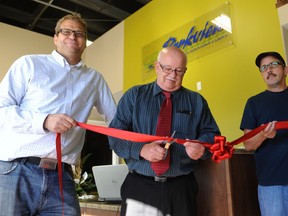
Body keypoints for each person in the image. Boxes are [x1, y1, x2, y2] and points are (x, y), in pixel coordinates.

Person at [0, 13, 116, 215]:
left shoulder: (95, 79)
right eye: (66, 31)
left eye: (79, 33)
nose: (73, 36)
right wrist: (43, 121)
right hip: (16, 172)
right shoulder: (28, 64)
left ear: (85, 42)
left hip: (62, 178)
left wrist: (146, 142)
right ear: (55, 38)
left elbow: (116, 120)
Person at [108, 46, 220, 216]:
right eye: (168, 68)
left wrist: (202, 148)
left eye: (179, 71)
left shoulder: (197, 101)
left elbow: (212, 136)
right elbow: (115, 136)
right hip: (140, 187)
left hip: (182, 189)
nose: (173, 75)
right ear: (157, 67)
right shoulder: (135, 96)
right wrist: (141, 150)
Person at [240, 51, 288, 216]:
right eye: (264, 68)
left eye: (273, 65)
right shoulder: (254, 103)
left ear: (285, 70)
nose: (269, 70)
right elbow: (248, 145)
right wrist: (263, 135)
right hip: (271, 184)